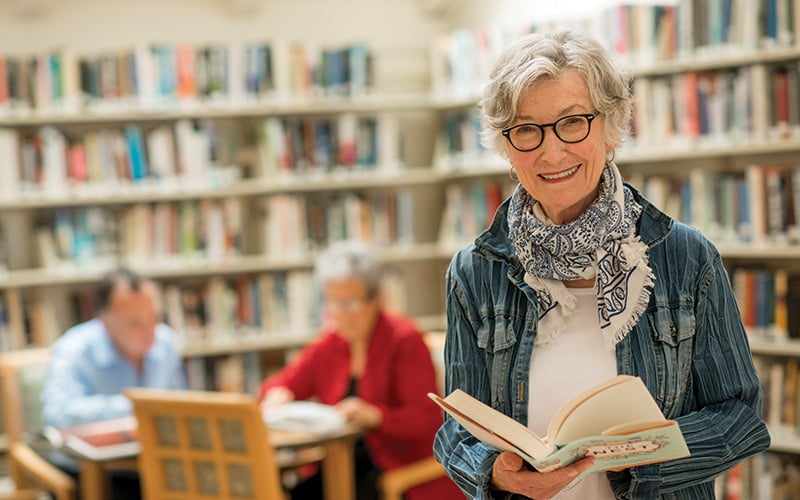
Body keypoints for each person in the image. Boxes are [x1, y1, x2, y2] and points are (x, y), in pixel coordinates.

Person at [432, 30, 771, 500]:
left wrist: (640, 463)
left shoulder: (687, 257)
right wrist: (493, 470)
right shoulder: (473, 272)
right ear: (507, 148)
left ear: (610, 128)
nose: (551, 152)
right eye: (527, 130)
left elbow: (740, 416)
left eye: (573, 122)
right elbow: (456, 430)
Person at [259, 240, 462, 500]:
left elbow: (428, 422)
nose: (342, 315)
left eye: (352, 303)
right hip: (342, 466)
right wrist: (278, 393)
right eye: (334, 304)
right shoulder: (330, 343)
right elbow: (280, 383)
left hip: (397, 468)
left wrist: (376, 416)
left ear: (377, 298)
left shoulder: (403, 339)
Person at [40, 267, 187, 499]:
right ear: (104, 321)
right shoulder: (74, 350)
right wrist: (138, 407)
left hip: (153, 465)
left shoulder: (166, 342)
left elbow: (179, 404)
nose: (150, 331)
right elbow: (58, 416)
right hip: (90, 472)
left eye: (155, 318)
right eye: (135, 323)